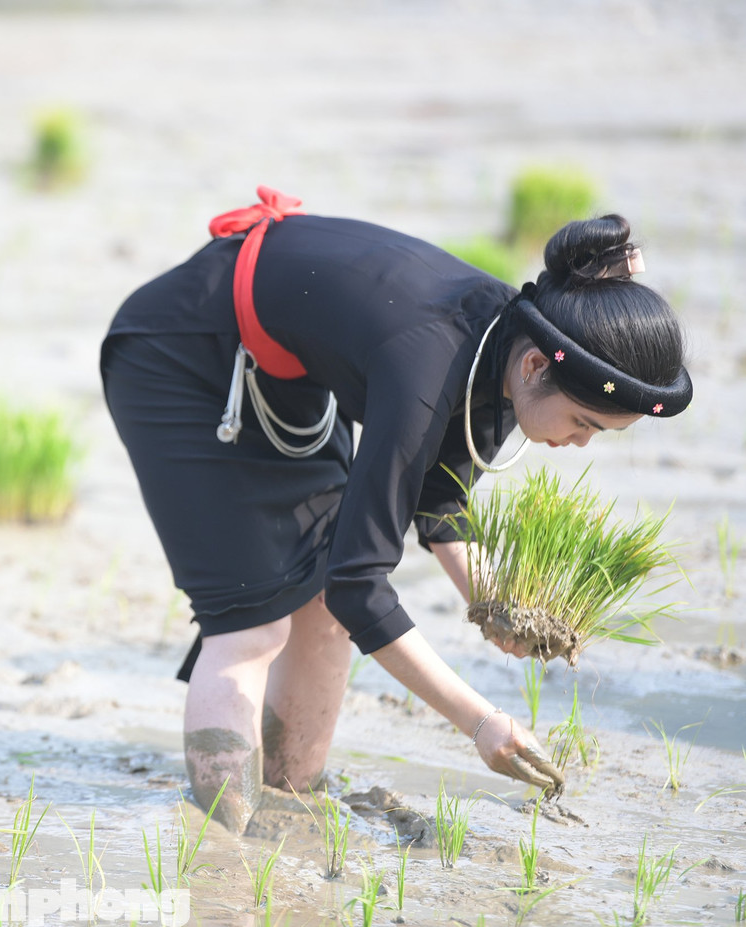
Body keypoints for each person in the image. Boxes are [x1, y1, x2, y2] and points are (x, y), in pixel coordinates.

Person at [100, 188, 691, 832]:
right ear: (534, 366)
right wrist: (481, 723)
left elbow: (439, 501)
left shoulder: (504, 349)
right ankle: (225, 843)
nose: (580, 443)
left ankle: (290, 803)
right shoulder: (429, 368)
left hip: (288, 373)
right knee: (249, 625)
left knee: (320, 609)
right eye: (583, 423)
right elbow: (359, 585)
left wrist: (498, 609)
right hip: (181, 352)